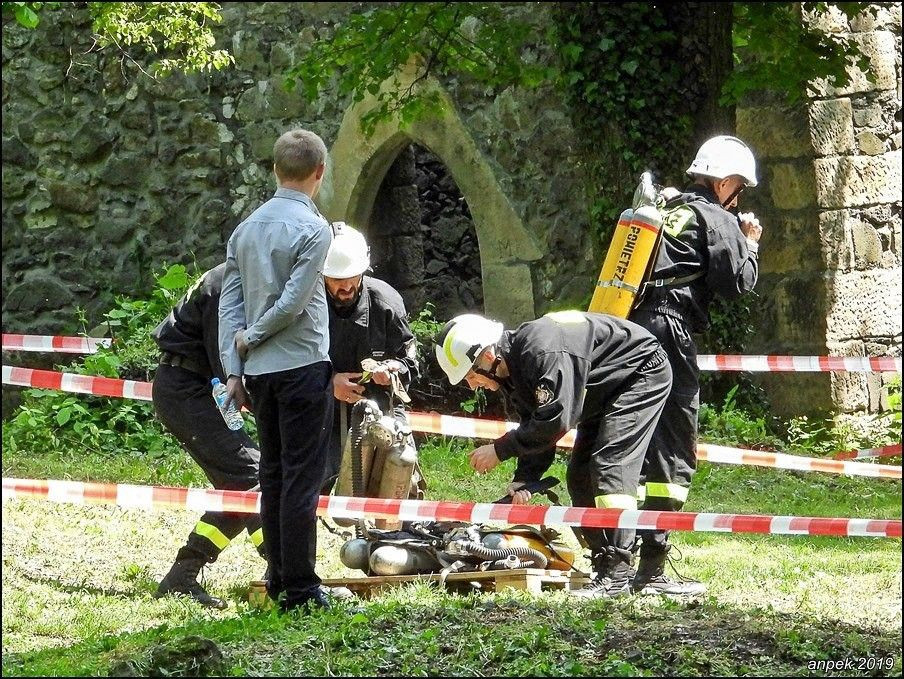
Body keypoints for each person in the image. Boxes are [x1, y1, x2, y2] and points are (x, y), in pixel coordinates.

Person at [435, 310, 672, 598]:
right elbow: (536, 421)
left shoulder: (541, 353)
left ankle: (617, 574)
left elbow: (555, 421)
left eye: (471, 376)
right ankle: (604, 562)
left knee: (611, 467)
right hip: (606, 386)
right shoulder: (513, 369)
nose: (473, 386)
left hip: (640, 373)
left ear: (486, 356)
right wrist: (526, 478)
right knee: (580, 477)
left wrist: (500, 449)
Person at [628, 135, 763, 596]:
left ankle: (614, 559)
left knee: (631, 438)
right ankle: (652, 570)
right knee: (671, 443)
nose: (738, 196)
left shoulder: (666, 209)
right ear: (723, 182)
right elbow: (737, 283)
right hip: (670, 330)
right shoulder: (714, 216)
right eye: (739, 187)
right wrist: (750, 243)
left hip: (630, 327)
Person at [218, 128, 334, 614]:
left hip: (260, 374)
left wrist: (234, 368)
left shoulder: (244, 229)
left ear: (274, 170)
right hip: (302, 365)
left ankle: (278, 579)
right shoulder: (315, 230)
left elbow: (230, 303)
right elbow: (293, 303)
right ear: (319, 173)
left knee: (274, 475)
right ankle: (302, 591)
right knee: (302, 480)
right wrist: (254, 337)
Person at [151, 263, 265, 609]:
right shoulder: (227, 286)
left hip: (199, 388)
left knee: (240, 486)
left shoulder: (236, 275)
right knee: (254, 476)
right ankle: (282, 569)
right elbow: (226, 360)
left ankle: (182, 576)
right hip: (187, 390)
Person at [319, 222, 420, 496]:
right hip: (321, 410)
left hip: (383, 409)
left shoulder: (385, 302)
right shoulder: (306, 305)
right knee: (307, 487)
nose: (347, 286)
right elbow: (289, 366)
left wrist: (393, 369)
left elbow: (410, 360)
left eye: (353, 276)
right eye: (337, 279)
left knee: (400, 482)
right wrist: (328, 383)